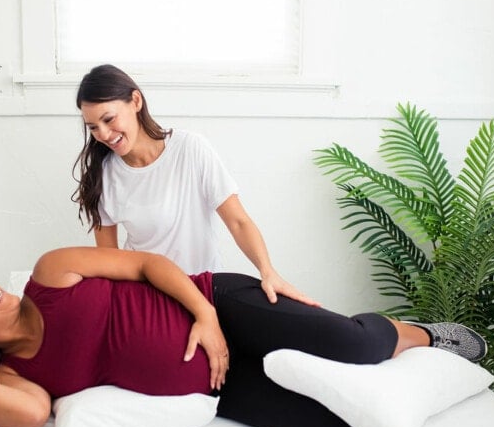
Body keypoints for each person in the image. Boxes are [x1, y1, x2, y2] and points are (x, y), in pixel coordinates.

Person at [0, 247, 487, 427]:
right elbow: (30, 418)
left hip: (220, 306)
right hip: (220, 388)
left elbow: (148, 263)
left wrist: (206, 316)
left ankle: (422, 334)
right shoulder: (18, 376)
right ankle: (405, 363)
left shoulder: (51, 272)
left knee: (352, 347)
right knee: (337, 425)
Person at [72, 64, 316, 306]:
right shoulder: (102, 176)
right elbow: (110, 260)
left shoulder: (190, 149)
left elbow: (238, 221)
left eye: (108, 119)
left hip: (205, 288)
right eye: (93, 127)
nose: (103, 134)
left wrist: (268, 272)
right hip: (148, 297)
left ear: (136, 101)